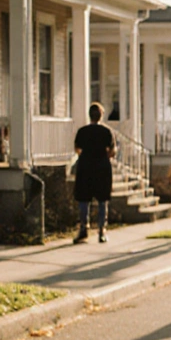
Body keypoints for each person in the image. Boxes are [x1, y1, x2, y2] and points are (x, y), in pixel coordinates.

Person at [72, 102, 114, 244]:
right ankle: (102, 231)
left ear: (89, 115)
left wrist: (86, 156)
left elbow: (77, 149)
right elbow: (112, 152)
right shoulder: (106, 132)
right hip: (102, 167)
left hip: (85, 167)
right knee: (102, 201)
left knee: (84, 200)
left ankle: (84, 229)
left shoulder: (82, 131)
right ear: (101, 115)